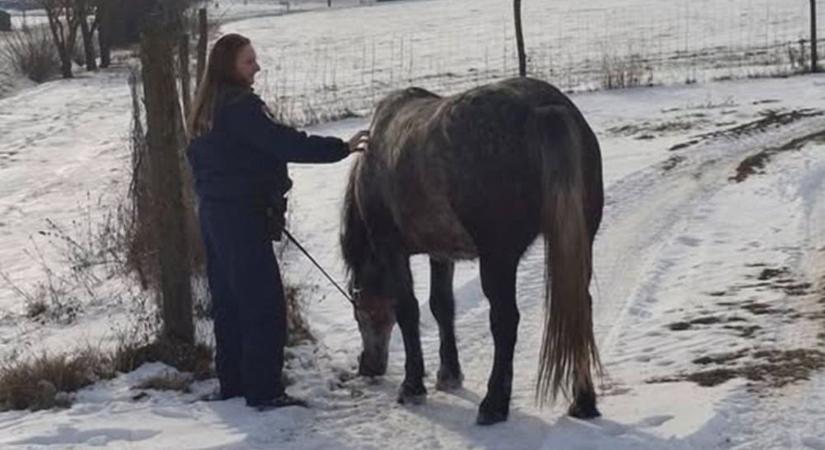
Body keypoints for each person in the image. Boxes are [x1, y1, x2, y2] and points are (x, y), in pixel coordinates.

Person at [187, 33, 368, 410]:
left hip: (216, 214)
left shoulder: (207, 107)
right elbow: (284, 143)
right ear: (229, 67)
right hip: (239, 217)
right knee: (263, 305)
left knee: (230, 302)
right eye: (249, 61)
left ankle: (234, 383)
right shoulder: (239, 107)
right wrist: (341, 148)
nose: (257, 67)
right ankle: (264, 391)